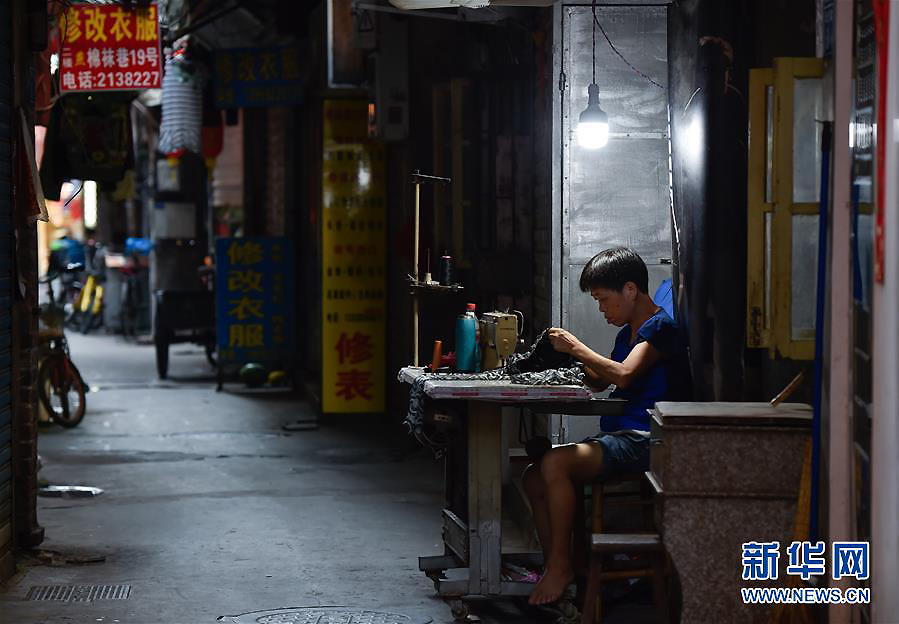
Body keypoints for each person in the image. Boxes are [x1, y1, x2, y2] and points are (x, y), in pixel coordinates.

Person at [523, 246, 690, 605]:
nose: (601, 310)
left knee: (554, 462)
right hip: (620, 437)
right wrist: (559, 361)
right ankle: (569, 566)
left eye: (603, 300)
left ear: (630, 289)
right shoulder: (625, 334)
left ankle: (560, 567)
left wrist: (577, 347)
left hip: (647, 439)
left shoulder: (661, 328)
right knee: (533, 477)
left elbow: (625, 376)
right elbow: (601, 380)